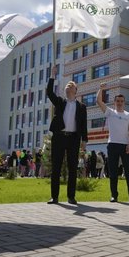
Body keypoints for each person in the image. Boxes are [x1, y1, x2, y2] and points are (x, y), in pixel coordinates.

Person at [46, 64, 88, 205]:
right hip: (59, 137)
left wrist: (84, 141)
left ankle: (71, 197)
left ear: (76, 90)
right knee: (56, 168)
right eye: (68, 85)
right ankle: (54, 197)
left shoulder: (81, 107)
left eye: (72, 85)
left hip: (73, 139)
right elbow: (49, 93)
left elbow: (83, 125)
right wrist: (52, 75)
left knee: (72, 168)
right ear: (65, 90)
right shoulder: (60, 102)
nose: (69, 85)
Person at [97, 82, 129, 203]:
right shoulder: (110, 112)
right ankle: (114, 196)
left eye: (121, 101)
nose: (119, 103)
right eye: (117, 101)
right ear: (114, 102)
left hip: (125, 146)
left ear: (124, 103)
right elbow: (99, 101)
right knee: (113, 172)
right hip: (112, 145)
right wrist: (101, 89)